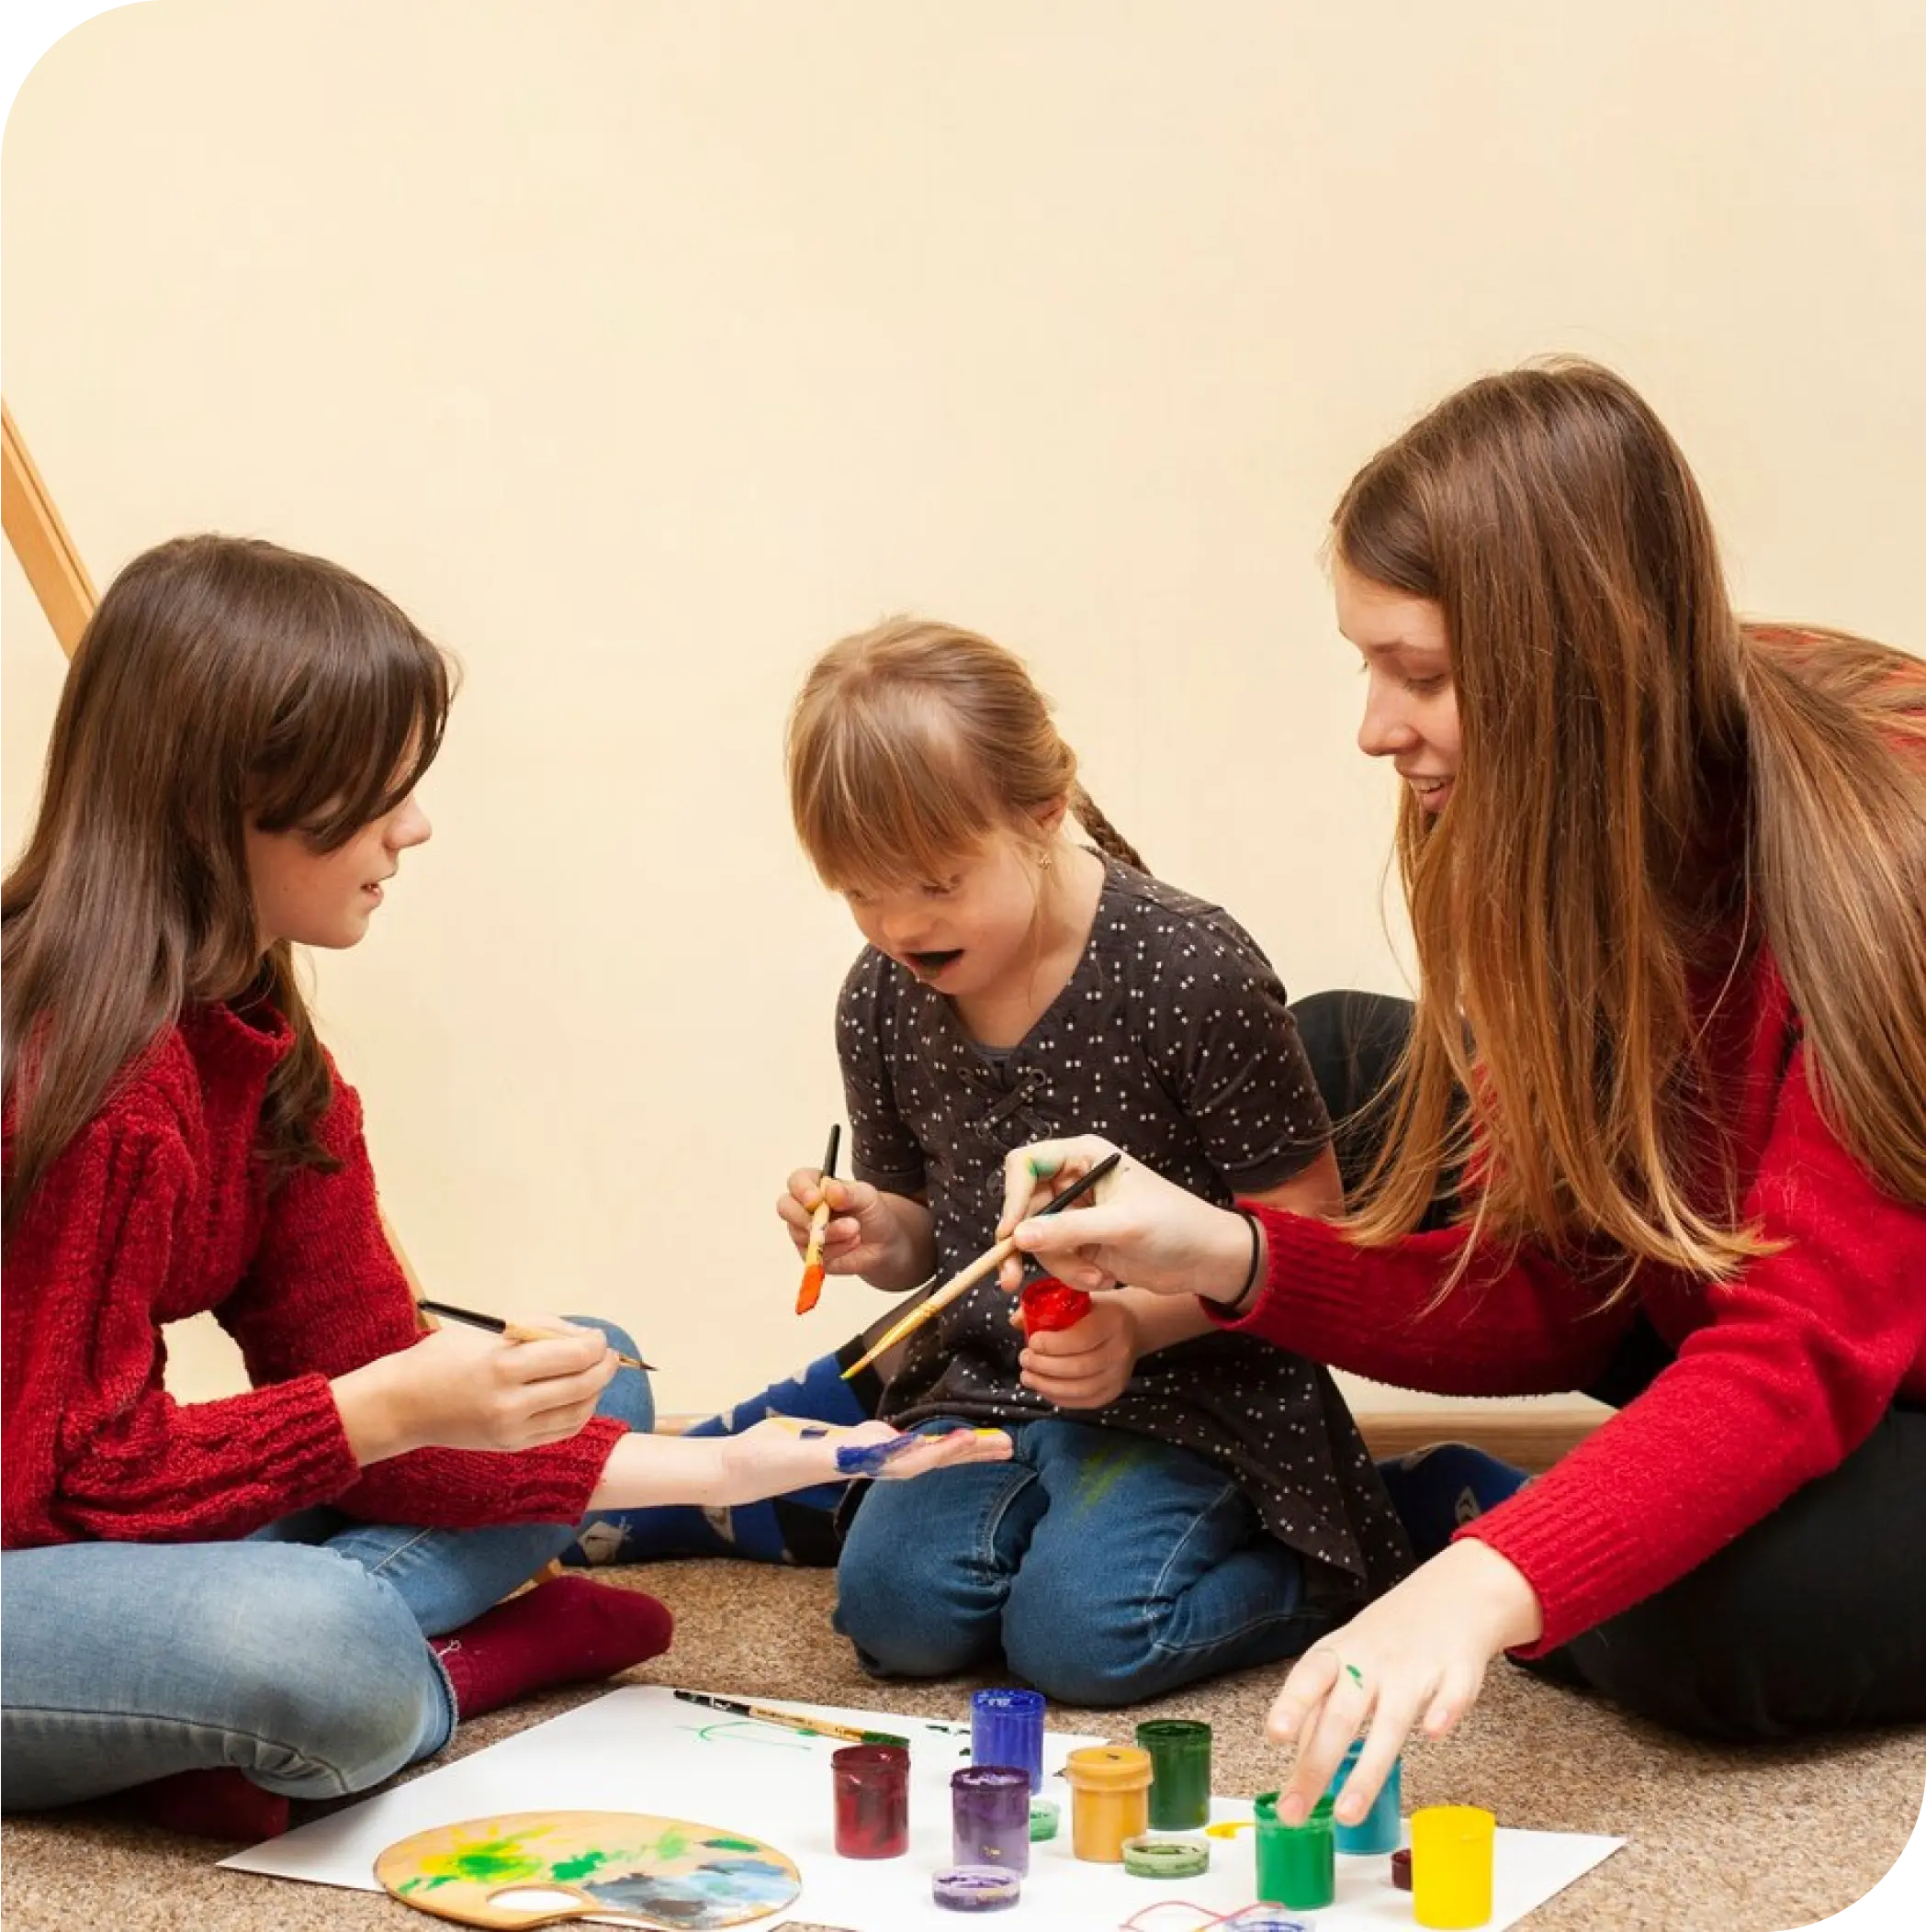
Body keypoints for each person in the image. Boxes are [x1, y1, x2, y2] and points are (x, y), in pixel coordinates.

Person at [995, 358, 1926, 1822]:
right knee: (1338, 1061)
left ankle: (1515, 1521)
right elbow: (1565, 1284)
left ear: (1580, 665)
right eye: (1370, 665)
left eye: (1420, 675)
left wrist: (1485, 1585)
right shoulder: (1530, 787)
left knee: (1712, 1624)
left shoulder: (1882, 861)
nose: (1375, 726)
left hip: (1879, 1353)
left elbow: (1801, 1346)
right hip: (1711, 1269)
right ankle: (1597, 1503)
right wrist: (1222, 1257)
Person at [0, 535, 1008, 1840]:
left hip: (91, 1527)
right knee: (316, 1644)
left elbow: (367, 1376)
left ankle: (248, 1701)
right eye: (382, 793)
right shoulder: (84, 1075)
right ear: (235, 797)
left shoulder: (257, 1036)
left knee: (605, 1381)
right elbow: (58, 1485)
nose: (414, 827)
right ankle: (416, 1668)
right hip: (30, 1531)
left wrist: (726, 1466)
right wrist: (375, 1411)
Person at [743, 616, 1406, 1706]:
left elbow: (1309, 1236)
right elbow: (928, 1236)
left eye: (937, 883)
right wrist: (871, 1228)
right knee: (893, 1619)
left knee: (1083, 1643)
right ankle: (1043, 1546)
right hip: (991, 1388)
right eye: (862, 892)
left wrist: (1136, 1324)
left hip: (1197, 1393)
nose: (899, 924)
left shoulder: (1188, 969)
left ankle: (1331, 1559)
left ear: (1043, 814)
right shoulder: (880, 995)